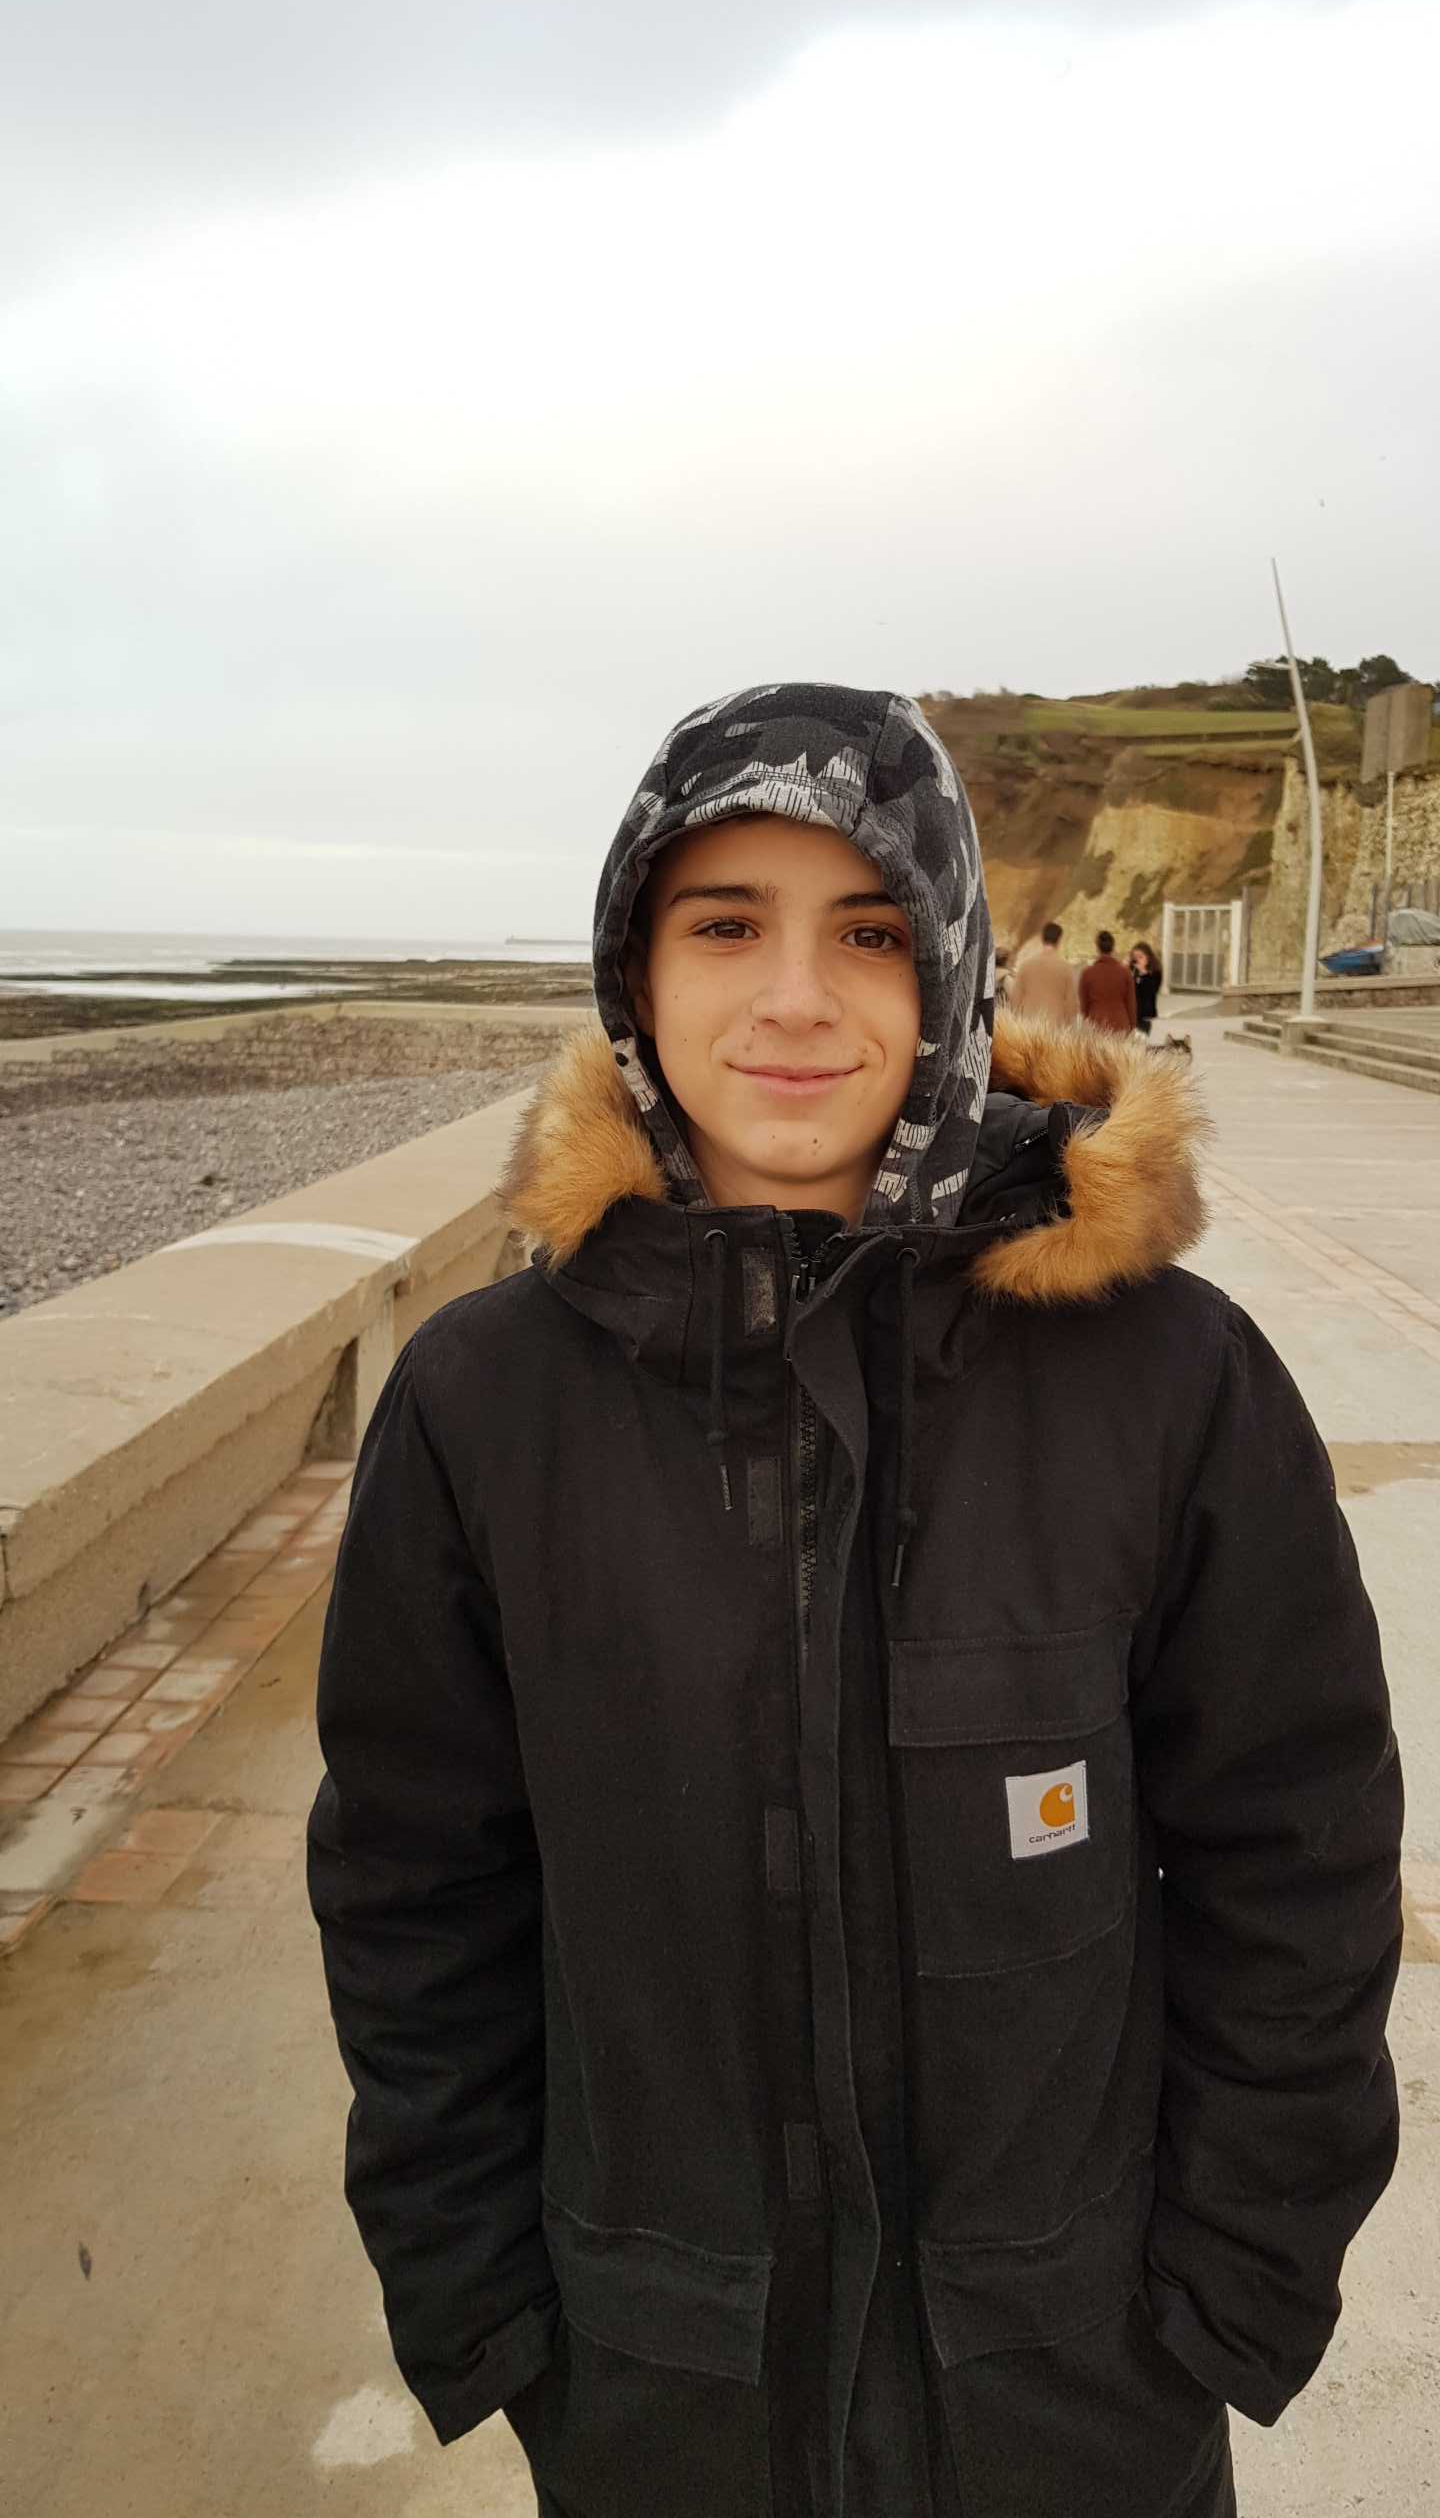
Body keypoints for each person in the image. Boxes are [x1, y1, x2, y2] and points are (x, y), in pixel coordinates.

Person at [307, 682, 1402, 2518]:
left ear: (952, 970)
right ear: (635, 968)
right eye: (726, 925)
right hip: (659, 2404)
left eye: (871, 933)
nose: (798, 998)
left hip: (1082, 2412)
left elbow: (1298, 1854)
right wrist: (491, 2314)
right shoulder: (484, 1405)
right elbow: (417, 1884)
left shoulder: (1170, 1380)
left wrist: (1228, 2296)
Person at [1007, 918, 1079, 1026]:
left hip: (1028, 1026)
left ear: (1042, 938)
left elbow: (1015, 1000)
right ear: (1059, 940)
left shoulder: (1026, 965)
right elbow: (1071, 1004)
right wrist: (1068, 1025)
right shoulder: (1066, 968)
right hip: (1055, 1027)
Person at [1080, 928, 1139, 1035]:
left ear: (1097, 949)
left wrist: (1086, 1023)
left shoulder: (1087, 973)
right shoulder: (1125, 973)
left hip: (1096, 1025)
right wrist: (1132, 1027)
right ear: (1113, 948)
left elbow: (1084, 1006)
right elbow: (1131, 1004)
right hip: (1121, 1024)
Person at [1130, 939, 1163, 1037]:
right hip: (1132, 1013)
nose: (1137, 960)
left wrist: (1144, 973)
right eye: (1135, 957)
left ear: (1148, 958)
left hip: (1145, 1015)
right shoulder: (1132, 971)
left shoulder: (1155, 972)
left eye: (1140, 957)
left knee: (1141, 1040)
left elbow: (1152, 990)